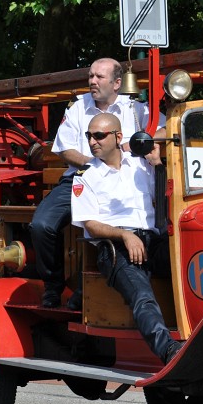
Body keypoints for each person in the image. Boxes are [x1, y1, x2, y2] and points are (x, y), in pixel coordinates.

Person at [30, 57, 165, 309]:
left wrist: (131, 144)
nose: (92, 81)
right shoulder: (78, 107)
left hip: (122, 180)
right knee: (41, 225)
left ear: (117, 83)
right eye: (90, 76)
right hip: (81, 178)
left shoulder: (134, 107)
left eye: (99, 77)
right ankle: (52, 286)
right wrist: (92, 165)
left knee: (118, 223)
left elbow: (166, 129)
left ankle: (86, 289)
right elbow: (64, 148)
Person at [70, 113, 181, 364]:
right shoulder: (86, 176)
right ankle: (171, 353)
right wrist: (125, 235)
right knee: (142, 297)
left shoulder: (141, 164)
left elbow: (166, 200)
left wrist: (158, 165)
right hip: (115, 248)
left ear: (118, 137)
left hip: (154, 241)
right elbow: (90, 224)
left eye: (99, 136)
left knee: (195, 263)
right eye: (89, 136)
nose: (92, 141)